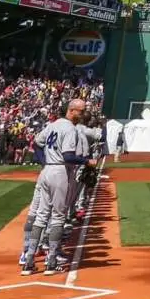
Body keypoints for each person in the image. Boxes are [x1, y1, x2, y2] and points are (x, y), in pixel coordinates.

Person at [20, 98, 90, 275]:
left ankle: (29, 261)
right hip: (60, 171)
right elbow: (68, 157)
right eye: (80, 111)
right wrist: (87, 161)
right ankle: (50, 262)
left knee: (41, 216)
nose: (82, 115)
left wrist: (44, 162)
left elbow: (36, 143)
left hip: (47, 171)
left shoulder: (52, 125)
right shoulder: (70, 129)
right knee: (58, 216)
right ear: (72, 110)